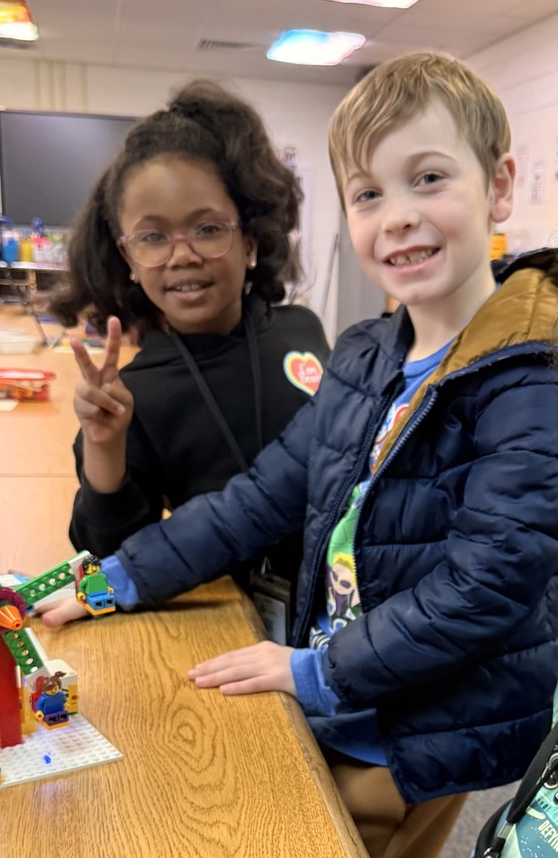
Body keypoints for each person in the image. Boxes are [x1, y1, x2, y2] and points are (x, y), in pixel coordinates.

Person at [43, 53, 558, 858]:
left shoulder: (528, 373)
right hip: (354, 688)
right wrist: (121, 578)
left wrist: (311, 671)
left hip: (433, 719)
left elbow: (488, 581)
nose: (396, 216)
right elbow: (258, 498)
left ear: (497, 186)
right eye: (367, 193)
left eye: (428, 178)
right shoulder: (363, 354)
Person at [49, 78, 329, 639]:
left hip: (341, 599)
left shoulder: (303, 331)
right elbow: (109, 550)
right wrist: (105, 444)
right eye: (153, 237)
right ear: (127, 256)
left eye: (207, 229)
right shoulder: (135, 394)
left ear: (250, 240)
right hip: (227, 622)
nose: (183, 255)